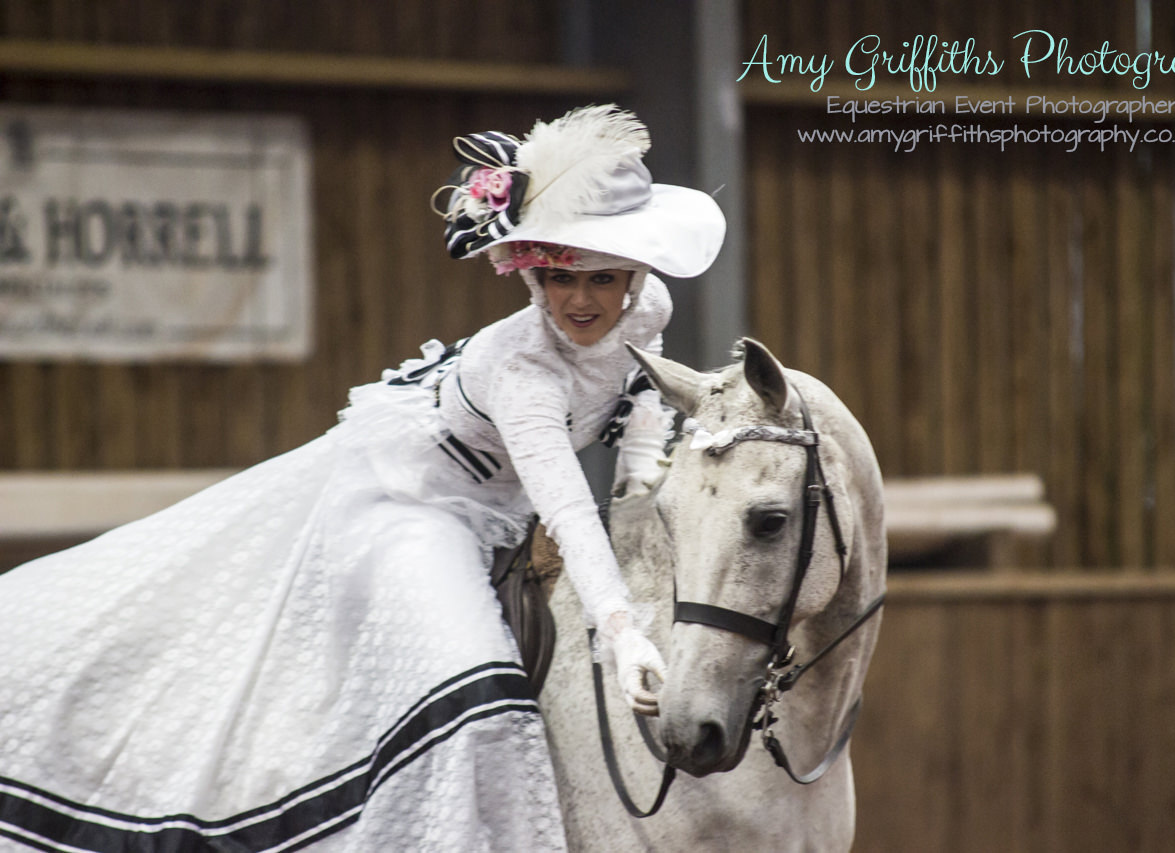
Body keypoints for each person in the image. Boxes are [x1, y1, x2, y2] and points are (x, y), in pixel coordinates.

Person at [0, 105, 725, 852]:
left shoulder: (649, 310)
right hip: (412, 505)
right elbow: (567, 506)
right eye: (552, 274)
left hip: (502, 507)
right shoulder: (522, 369)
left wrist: (641, 483)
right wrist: (620, 629)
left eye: (600, 278)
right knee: (474, 685)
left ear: (638, 273)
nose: (576, 300)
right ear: (525, 267)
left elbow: (645, 392)